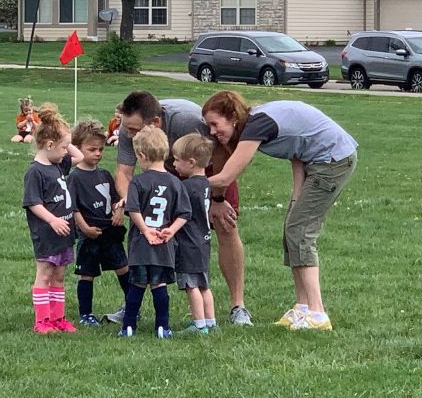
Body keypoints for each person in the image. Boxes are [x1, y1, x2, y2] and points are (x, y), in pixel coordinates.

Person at [202, 90, 358, 331]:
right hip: (316, 162)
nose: (212, 132)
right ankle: (302, 308)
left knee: (300, 231)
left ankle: (318, 314)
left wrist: (188, 184)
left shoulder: (256, 126)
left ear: (232, 117)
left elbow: (226, 177)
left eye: (215, 124)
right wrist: (296, 197)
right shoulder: (255, 122)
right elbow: (296, 151)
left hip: (333, 161)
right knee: (292, 228)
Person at [114, 90, 252, 326]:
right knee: (151, 233)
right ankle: (132, 306)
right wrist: (134, 203)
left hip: (209, 168)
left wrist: (216, 198)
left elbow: (221, 152)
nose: (128, 134)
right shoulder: (130, 126)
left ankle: (238, 306)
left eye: (134, 129)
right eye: (127, 128)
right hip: (169, 172)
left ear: (156, 122)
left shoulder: (187, 122)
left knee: (225, 226)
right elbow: (123, 173)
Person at [120, 125, 191, 339]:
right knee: (159, 285)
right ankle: (162, 326)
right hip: (163, 244)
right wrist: (171, 231)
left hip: (141, 245)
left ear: (141, 155)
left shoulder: (138, 181)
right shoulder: (175, 182)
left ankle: (128, 327)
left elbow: (133, 209)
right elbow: (185, 213)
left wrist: (144, 229)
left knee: (137, 285)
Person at [22, 102, 84, 334]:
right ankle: (42, 321)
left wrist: (64, 139)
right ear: (49, 145)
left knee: (59, 276)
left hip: (64, 233)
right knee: (45, 274)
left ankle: (58, 318)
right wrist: (52, 220)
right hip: (48, 234)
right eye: (64, 147)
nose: (67, 151)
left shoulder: (58, 164)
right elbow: (33, 203)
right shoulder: (35, 171)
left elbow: (79, 156)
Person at [67, 119, 130, 327]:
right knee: (87, 274)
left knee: (123, 268)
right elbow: (73, 208)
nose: (97, 153)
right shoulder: (75, 178)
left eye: (101, 149)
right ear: (77, 148)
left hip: (110, 233)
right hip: (89, 235)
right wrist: (84, 228)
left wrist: (119, 211)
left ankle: (132, 306)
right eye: (92, 149)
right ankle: (86, 314)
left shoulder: (104, 174)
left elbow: (115, 199)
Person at [172, 133, 217, 335]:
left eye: (176, 160)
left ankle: (199, 325)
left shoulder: (186, 187)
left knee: (192, 286)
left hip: (188, 243)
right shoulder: (205, 183)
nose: (174, 164)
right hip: (203, 242)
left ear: (191, 162)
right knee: (204, 285)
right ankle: (211, 321)